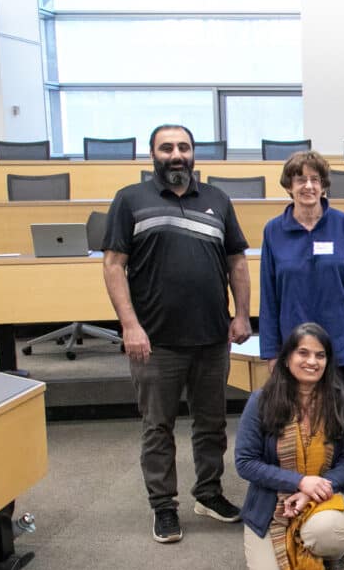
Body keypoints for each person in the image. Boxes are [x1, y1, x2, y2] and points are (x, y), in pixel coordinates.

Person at [102, 124, 251, 544]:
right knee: (157, 427)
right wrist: (130, 325)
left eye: (183, 147)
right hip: (155, 341)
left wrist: (242, 315)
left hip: (211, 339)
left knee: (211, 424)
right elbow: (114, 265)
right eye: (166, 147)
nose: (176, 154)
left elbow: (237, 262)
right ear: (152, 154)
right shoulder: (131, 200)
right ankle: (164, 506)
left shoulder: (217, 201)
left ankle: (208, 493)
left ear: (193, 154)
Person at [235, 323, 344, 570]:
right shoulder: (261, 401)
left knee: (328, 532)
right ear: (287, 358)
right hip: (271, 505)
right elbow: (245, 462)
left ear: (328, 362)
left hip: (326, 495)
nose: (311, 361)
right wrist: (300, 482)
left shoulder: (340, 401)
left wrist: (316, 489)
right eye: (303, 353)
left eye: (320, 355)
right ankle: (303, 550)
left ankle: (332, 555)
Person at [259, 151, 344, 401]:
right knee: (296, 427)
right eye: (300, 179)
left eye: (315, 179)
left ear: (323, 186)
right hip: (295, 352)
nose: (308, 186)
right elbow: (268, 296)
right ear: (289, 186)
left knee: (341, 425)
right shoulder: (273, 231)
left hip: (341, 349)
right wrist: (270, 352)